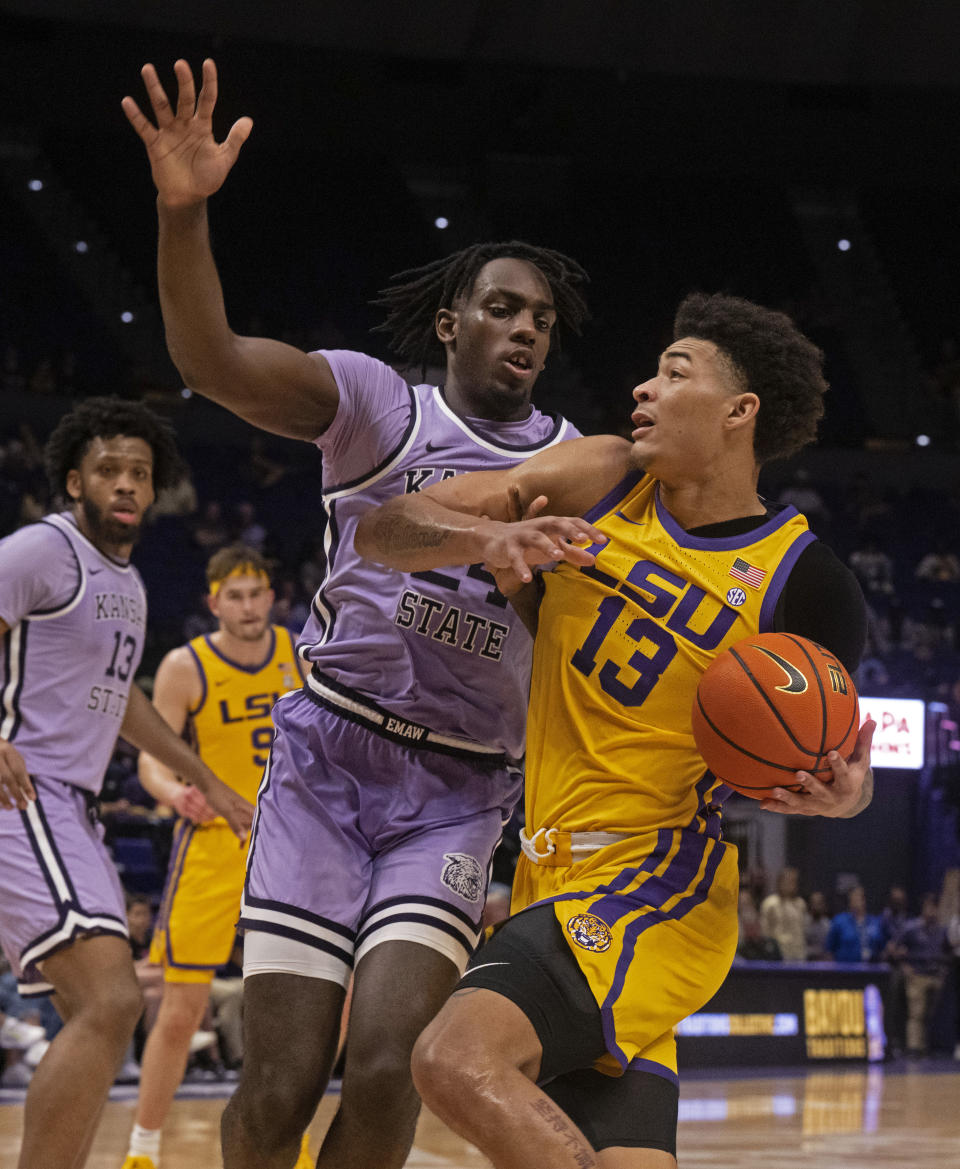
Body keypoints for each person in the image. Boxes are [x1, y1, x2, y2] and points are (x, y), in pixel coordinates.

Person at [123, 57, 589, 1169]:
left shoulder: (579, 465)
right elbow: (212, 360)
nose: (525, 329)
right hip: (328, 762)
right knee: (279, 1083)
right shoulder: (381, 407)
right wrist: (183, 213)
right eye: (502, 307)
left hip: (460, 793)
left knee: (389, 1065)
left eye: (542, 318)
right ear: (451, 322)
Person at [355, 291, 875, 1168]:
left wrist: (844, 794)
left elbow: (837, 770)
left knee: (453, 1059)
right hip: (546, 873)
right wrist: (488, 536)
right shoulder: (600, 477)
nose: (642, 388)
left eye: (675, 373)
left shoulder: (804, 581)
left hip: (658, 883)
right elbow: (383, 529)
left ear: (739, 412)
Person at [0, 397, 253, 1169]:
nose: (126, 484)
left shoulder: (130, 584)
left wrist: (211, 779)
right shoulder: (41, 550)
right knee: (112, 1001)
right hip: (22, 794)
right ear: (73, 480)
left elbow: (123, 704)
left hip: (68, 809)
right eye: (109, 469)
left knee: (98, 1012)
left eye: (140, 473)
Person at [122, 545, 303, 1169]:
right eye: (236, 595)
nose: (249, 606)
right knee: (181, 1010)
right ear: (213, 602)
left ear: (272, 595)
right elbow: (150, 756)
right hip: (212, 844)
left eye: (257, 594)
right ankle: (143, 1148)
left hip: (291, 842)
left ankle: (291, 1142)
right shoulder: (184, 666)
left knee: (296, 1004)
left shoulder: (301, 651)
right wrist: (175, 792)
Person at [890, 892, 950, 1057]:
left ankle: (925, 1047)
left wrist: (943, 970)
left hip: (935, 976)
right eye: (928, 907)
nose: (931, 911)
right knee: (916, 1013)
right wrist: (904, 966)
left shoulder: (941, 930)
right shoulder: (911, 928)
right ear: (923, 908)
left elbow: (948, 951)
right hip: (917, 975)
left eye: (934, 907)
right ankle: (914, 1048)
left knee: (931, 1015)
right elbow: (892, 948)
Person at [825, 885, 887, 964]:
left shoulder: (875, 922)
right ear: (849, 901)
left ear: (864, 900)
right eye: (853, 898)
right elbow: (829, 950)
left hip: (872, 971)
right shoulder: (839, 921)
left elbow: (882, 948)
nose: (856, 900)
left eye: (859, 897)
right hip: (846, 970)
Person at [760, 866, 807, 962]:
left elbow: (803, 928)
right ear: (780, 882)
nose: (792, 884)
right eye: (789, 881)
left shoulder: (800, 903)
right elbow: (764, 930)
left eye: (794, 881)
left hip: (799, 953)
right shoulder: (770, 903)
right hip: (779, 954)